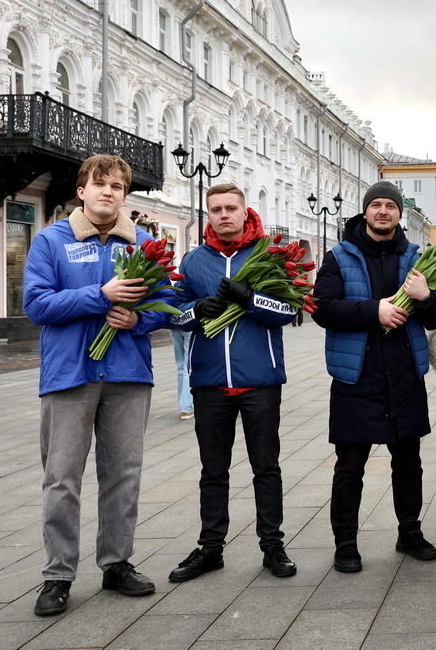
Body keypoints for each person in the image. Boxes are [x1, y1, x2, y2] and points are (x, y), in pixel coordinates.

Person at [23, 154, 173, 616]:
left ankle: (116, 564)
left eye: (117, 187)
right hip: (69, 375)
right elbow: (37, 304)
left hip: (128, 375)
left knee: (123, 475)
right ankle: (57, 575)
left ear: (125, 196)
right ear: (81, 190)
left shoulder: (143, 244)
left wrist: (137, 318)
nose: (108, 192)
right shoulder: (51, 241)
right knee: (62, 479)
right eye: (99, 184)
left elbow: (166, 301)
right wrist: (100, 296)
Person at [311, 181, 436, 573]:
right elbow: (323, 308)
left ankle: (410, 532)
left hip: (403, 374)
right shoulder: (340, 256)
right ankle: (346, 543)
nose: (383, 211)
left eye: (390, 206)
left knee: (408, 462)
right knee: (350, 466)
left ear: (399, 214)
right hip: (357, 375)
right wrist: (376, 311)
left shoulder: (417, 258)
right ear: (365, 212)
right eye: (376, 205)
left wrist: (424, 297)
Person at [167, 184, 298, 582]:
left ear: (245, 212)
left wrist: (250, 298)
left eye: (231, 208)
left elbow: (290, 308)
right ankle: (210, 549)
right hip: (209, 382)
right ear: (208, 215)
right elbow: (170, 314)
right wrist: (196, 310)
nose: (224, 215)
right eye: (216, 209)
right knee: (213, 469)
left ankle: (272, 546)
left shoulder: (267, 256)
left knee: (266, 466)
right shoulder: (194, 262)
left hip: (259, 381)